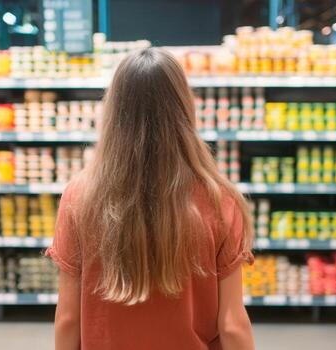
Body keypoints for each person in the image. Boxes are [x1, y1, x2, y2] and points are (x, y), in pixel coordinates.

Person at [46, 47, 255, 350]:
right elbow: (233, 324)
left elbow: (68, 319)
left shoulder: (80, 196)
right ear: (184, 107)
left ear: (114, 111)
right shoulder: (220, 200)